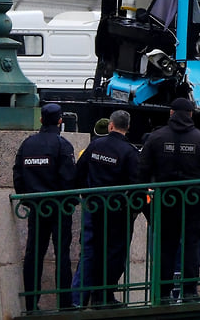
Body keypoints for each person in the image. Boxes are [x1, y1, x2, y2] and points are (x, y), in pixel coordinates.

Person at [139, 97, 200, 303]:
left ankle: (164, 293)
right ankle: (189, 291)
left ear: (171, 113)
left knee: (166, 247)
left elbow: (141, 172)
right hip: (194, 201)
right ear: (191, 114)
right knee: (192, 246)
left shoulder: (156, 137)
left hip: (165, 201)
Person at [13, 102, 77, 311]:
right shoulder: (63, 145)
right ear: (60, 121)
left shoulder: (27, 144)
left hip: (37, 209)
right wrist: (69, 202)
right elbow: (69, 179)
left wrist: (27, 200)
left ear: (41, 120)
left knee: (33, 255)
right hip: (59, 209)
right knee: (62, 256)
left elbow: (18, 175)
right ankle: (65, 303)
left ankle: (31, 303)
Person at [75, 110, 140, 308]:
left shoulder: (96, 145)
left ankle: (91, 296)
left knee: (94, 251)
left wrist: (85, 196)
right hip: (117, 211)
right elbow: (137, 183)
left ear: (111, 125)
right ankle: (105, 295)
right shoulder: (129, 152)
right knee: (115, 253)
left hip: (94, 208)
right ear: (127, 128)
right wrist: (134, 210)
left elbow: (79, 172)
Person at [72, 118, 112, 307]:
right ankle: (100, 297)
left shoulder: (87, 150)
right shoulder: (118, 150)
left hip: (91, 206)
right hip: (112, 209)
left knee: (88, 254)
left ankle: (78, 300)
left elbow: (78, 175)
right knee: (108, 254)